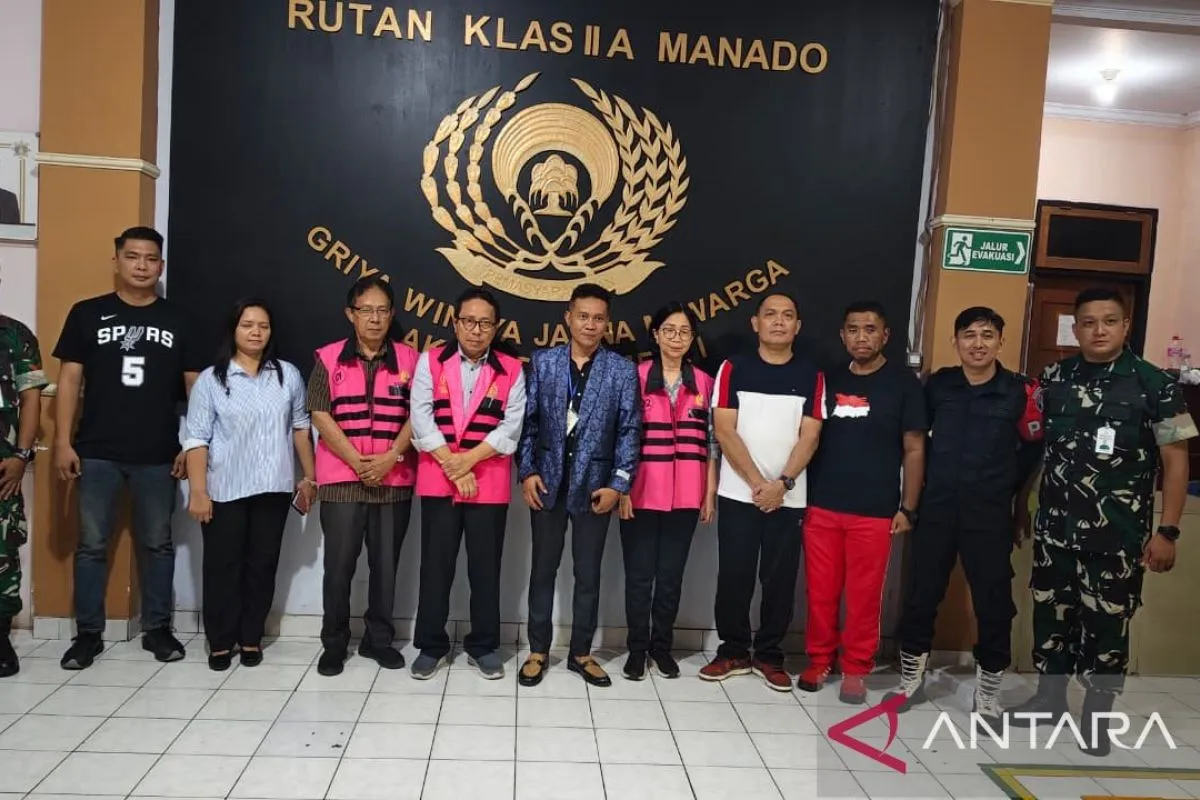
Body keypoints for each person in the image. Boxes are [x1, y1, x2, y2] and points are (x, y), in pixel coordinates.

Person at [1009, 288, 1196, 757]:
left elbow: (1176, 460)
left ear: (1126, 325)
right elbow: (1039, 448)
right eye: (1088, 322)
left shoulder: (1156, 385)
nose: (1098, 330)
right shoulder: (1055, 378)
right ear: (1075, 328)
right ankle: (1049, 700)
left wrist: (1168, 530)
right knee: (1050, 614)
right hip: (1055, 530)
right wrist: (1022, 503)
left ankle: (1097, 715)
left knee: (1108, 625)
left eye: (1109, 321)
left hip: (1117, 535)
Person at [53, 226, 203, 669]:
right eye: (133, 256)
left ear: (161, 265)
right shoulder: (87, 313)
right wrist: (62, 442)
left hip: (158, 452)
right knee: (91, 545)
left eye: (151, 258)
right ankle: (88, 634)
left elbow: (196, 389)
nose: (142, 266)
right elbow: (69, 381)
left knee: (157, 543)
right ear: (116, 260)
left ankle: (157, 628)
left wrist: (191, 445)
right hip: (95, 450)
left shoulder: (180, 320)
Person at [885, 307, 1042, 724]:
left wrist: (1018, 503)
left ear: (1001, 341)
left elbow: (1032, 453)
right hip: (937, 509)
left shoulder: (1019, 391)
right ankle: (910, 681)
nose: (977, 343)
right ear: (955, 341)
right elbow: (916, 443)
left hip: (989, 514)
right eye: (969, 335)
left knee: (994, 605)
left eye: (987, 335)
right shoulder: (939, 385)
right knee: (921, 597)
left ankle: (988, 695)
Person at [798, 301, 926, 703]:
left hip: (875, 510)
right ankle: (819, 660)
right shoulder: (828, 379)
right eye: (853, 329)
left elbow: (914, 449)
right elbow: (808, 438)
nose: (861, 337)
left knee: (864, 597)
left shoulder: (904, 384)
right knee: (820, 593)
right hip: (822, 505)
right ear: (842, 335)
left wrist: (908, 507)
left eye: (870, 329)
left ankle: (855, 668)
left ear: (885, 335)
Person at [517, 283, 641, 688]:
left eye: (598, 318)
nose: (590, 324)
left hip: (595, 488)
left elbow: (629, 431)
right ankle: (538, 650)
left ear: (607, 323)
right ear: (568, 318)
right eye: (583, 316)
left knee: (588, 574)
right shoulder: (544, 362)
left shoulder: (621, 370)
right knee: (542, 570)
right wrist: (527, 472)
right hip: (547, 484)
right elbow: (528, 423)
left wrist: (618, 484)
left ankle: (581, 653)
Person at [699, 293, 825, 691]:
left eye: (788, 315)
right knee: (734, 575)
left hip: (789, 497)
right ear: (755, 323)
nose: (778, 321)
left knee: (780, 579)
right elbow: (724, 430)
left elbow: (811, 436)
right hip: (739, 493)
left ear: (798, 327)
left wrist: (781, 484)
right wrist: (758, 483)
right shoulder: (733, 368)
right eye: (770, 314)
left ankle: (770, 655)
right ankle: (733, 650)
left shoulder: (812, 374)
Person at [184, 298, 316, 671]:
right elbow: (196, 439)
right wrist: (198, 491)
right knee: (222, 567)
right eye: (248, 325)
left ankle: (250, 637)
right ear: (234, 330)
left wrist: (310, 476)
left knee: (262, 566)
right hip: (225, 489)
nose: (256, 332)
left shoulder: (287, 375)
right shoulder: (212, 380)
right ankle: (220, 641)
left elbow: (301, 428)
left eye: (263, 326)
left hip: (273, 488)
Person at [409, 288, 525, 680]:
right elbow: (421, 418)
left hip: (487, 482)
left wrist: (467, 462)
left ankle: (484, 646)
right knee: (435, 567)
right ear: (455, 323)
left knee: (485, 569)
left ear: (496, 327)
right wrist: (453, 465)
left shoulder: (512, 369)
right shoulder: (430, 361)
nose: (476, 330)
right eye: (469, 321)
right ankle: (430, 645)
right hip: (439, 480)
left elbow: (511, 427)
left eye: (485, 323)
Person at [308, 275, 418, 677]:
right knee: (338, 568)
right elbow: (319, 412)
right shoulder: (328, 358)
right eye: (366, 310)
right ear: (350, 314)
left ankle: (379, 641)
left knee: (386, 568)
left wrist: (390, 458)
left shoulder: (411, 360)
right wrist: (357, 461)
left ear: (392, 314)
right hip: (342, 479)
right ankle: (334, 643)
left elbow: (419, 415)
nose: (374, 318)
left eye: (382, 310)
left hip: (393, 477)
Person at [618, 303, 718, 681]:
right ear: (656, 335)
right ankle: (636, 649)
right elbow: (620, 437)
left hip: (687, 495)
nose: (676, 338)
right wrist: (621, 488)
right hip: (640, 493)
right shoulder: (635, 377)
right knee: (639, 576)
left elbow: (713, 445)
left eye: (684, 332)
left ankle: (661, 648)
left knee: (671, 576)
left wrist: (709, 493)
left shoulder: (705, 383)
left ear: (692, 339)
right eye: (669, 330)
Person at [0, 312, 47, 677]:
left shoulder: (15, 335)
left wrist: (21, 455)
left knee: (3, 548)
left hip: (4, 466)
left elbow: (31, 399)